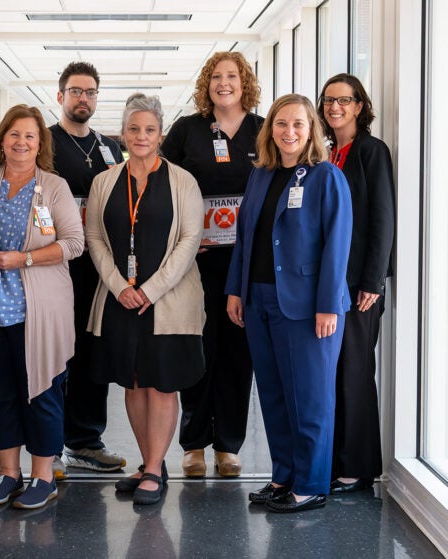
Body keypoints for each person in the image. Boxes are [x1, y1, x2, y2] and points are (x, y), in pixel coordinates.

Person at [0, 104, 84, 510]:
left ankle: (43, 476)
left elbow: (73, 244)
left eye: (30, 135)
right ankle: (10, 473)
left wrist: (23, 259)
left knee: (41, 391)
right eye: (14, 134)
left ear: (39, 143)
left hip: (38, 309)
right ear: (1, 139)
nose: (21, 142)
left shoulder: (54, 186)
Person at [225, 94, 353, 513]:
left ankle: (312, 484)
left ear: (312, 129)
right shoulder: (260, 175)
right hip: (259, 299)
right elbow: (245, 237)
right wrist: (236, 290)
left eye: (298, 124)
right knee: (275, 395)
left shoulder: (325, 177)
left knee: (311, 399)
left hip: (308, 306)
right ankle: (283, 477)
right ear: (270, 129)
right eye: (281, 123)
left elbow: (338, 246)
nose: (289, 132)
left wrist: (329, 305)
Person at [86, 93, 206, 506]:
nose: (141, 136)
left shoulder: (182, 181)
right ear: (122, 133)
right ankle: (147, 461)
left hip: (167, 301)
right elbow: (95, 238)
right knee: (133, 383)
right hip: (120, 301)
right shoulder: (104, 182)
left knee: (161, 384)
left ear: (160, 135)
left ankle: (155, 467)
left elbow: (190, 241)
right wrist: (119, 285)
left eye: (149, 130)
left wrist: (150, 289)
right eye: (133, 129)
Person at [161, 51, 263, 478]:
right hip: (197, 260)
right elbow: (162, 185)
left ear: (245, 83)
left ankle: (228, 446)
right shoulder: (187, 130)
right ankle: (194, 443)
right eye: (217, 76)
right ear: (207, 84)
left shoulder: (263, 130)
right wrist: (180, 237)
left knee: (239, 354)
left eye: (232, 76)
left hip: (247, 261)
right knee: (199, 348)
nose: (225, 83)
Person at [317, 74, 395, 494]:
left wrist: (372, 282)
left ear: (359, 106)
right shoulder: (327, 154)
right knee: (332, 373)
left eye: (344, 101)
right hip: (330, 284)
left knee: (355, 371)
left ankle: (358, 469)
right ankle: (335, 461)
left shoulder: (370, 151)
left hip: (359, 287)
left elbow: (382, 219)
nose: (335, 108)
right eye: (329, 100)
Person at [49, 61, 126, 476]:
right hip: (57, 267)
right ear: (60, 96)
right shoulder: (45, 142)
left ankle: (85, 441)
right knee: (57, 354)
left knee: (94, 353)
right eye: (76, 91)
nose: (84, 99)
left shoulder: (110, 147)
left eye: (91, 92)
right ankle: (51, 445)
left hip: (102, 269)